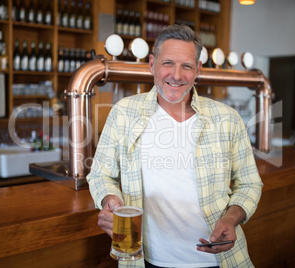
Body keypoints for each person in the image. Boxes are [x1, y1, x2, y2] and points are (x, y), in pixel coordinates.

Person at [87, 24, 263, 268]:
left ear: (198, 69)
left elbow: (250, 183)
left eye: (187, 66)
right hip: (143, 259)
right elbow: (100, 175)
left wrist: (232, 219)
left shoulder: (227, 118)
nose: (177, 75)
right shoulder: (123, 113)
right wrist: (110, 200)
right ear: (152, 65)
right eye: (168, 63)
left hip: (219, 260)